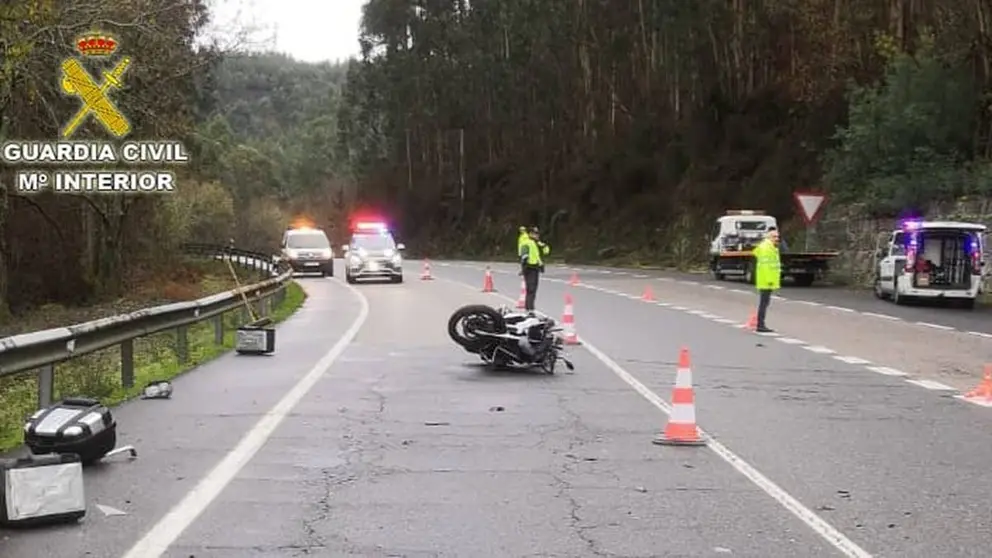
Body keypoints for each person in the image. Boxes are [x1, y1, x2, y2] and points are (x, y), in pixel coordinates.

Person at [752, 229, 781, 333]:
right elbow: (766, 266)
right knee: (764, 303)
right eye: (774, 236)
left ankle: (761, 324)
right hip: (766, 280)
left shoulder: (770, 247)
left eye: (777, 237)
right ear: (768, 237)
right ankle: (760, 325)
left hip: (766, 280)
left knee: (765, 303)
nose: (777, 239)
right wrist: (769, 280)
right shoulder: (766, 248)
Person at [519, 226, 551, 312]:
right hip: (529, 267)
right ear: (530, 234)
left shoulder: (536, 243)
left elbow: (546, 252)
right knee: (531, 288)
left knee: (533, 289)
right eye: (534, 234)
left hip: (535, 268)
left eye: (537, 234)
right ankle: (529, 308)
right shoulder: (526, 242)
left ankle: (530, 307)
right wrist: (524, 267)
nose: (537, 235)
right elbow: (524, 255)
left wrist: (543, 245)